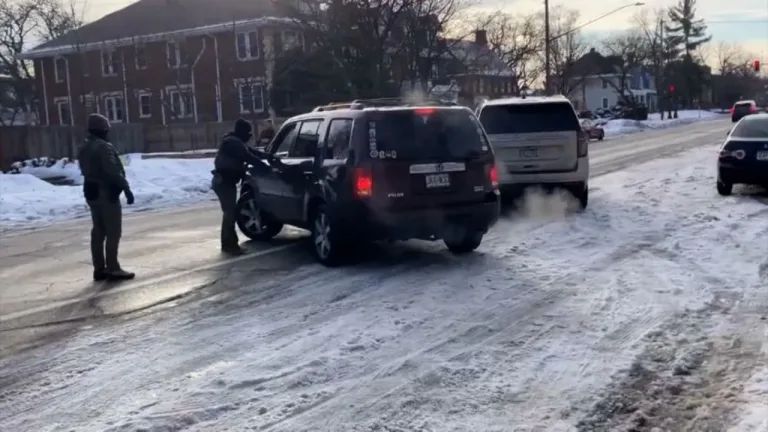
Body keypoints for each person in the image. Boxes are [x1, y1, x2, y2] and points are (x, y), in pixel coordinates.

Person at [78, 113, 135, 281]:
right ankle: (113, 267)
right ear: (103, 129)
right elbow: (112, 171)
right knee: (113, 231)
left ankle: (99, 268)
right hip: (106, 191)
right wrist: (126, 188)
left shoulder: (84, 146)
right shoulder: (104, 147)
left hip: (90, 190)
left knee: (98, 231)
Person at [212, 117, 278, 255]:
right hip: (224, 182)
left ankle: (229, 244)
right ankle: (229, 245)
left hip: (226, 181)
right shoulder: (233, 143)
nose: (249, 136)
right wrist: (265, 167)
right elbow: (249, 157)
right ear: (242, 132)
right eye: (248, 133)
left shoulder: (235, 141)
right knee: (230, 214)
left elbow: (252, 152)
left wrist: (268, 156)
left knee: (230, 213)